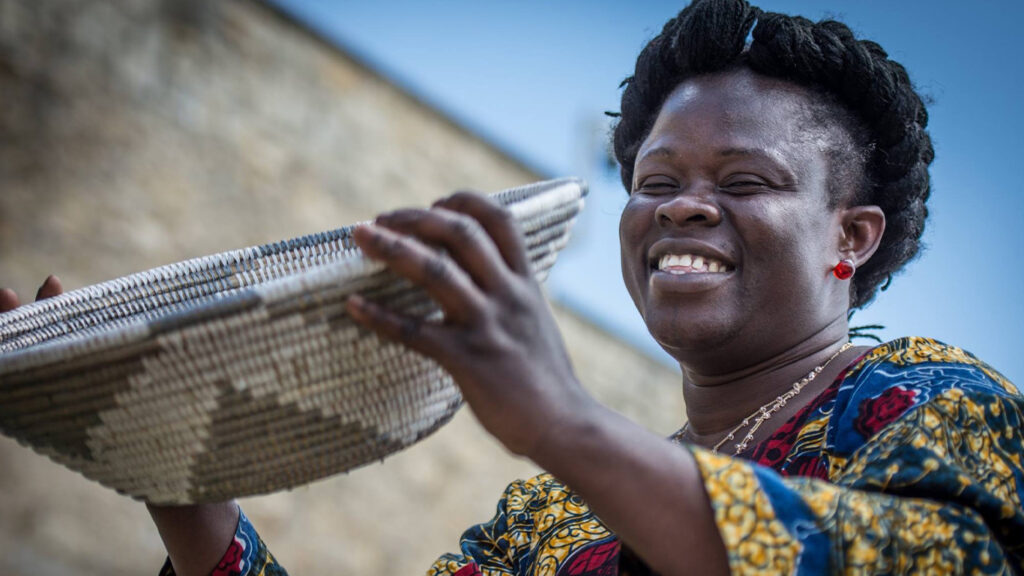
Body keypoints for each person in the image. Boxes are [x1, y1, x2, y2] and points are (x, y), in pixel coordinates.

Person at [3, 0, 1022, 573]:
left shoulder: (941, 405)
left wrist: (562, 420)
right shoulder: (545, 518)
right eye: (655, 181)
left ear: (852, 234)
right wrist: (170, 465)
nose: (678, 206)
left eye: (744, 181)